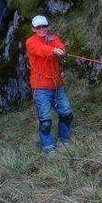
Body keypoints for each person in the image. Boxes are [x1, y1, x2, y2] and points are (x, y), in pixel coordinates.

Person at [25, 15, 74, 152]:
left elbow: (60, 46)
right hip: (41, 88)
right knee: (45, 121)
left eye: (44, 26)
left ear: (48, 27)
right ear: (33, 29)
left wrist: (60, 50)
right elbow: (39, 49)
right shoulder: (30, 42)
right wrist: (53, 51)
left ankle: (64, 141)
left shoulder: (54, 38)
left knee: (66, 114)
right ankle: (48, 148)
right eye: (38, 27)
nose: (42, 29)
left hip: (57, 85)